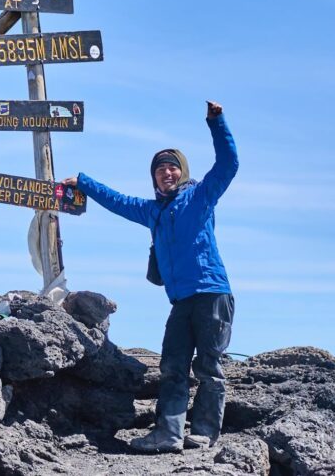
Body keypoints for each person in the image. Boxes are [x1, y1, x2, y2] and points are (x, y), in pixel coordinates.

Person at [61, 101, 238, 452]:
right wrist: (83, 181)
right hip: (181, 300)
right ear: (154, 177)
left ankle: (202, 433)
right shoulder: (152, 211)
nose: (167, 174)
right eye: (160, 170)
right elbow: (118, 201)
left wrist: (217, 123)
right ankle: (168, 434)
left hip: (212, 293)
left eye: (173, 168)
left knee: (208, 367)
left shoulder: (201, 196)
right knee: (172, 366)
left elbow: (229, 164)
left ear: (182, 172)